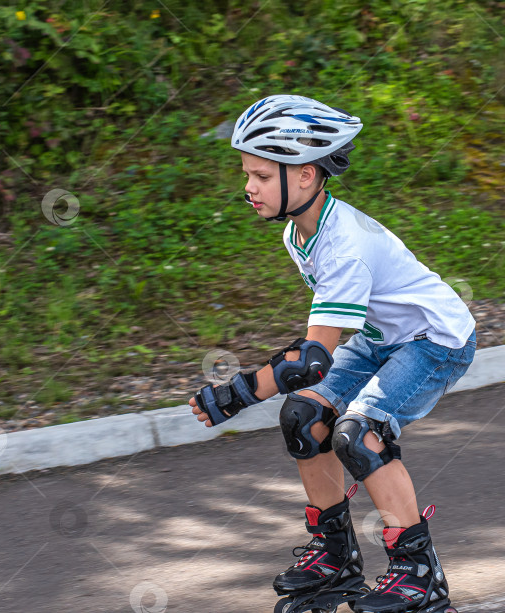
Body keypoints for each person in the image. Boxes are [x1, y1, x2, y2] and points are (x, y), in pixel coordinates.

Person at [189, 94, 475, 613]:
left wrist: (235, 394)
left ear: (302, 175)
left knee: (359, 433)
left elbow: (309, 361)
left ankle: (418, 577)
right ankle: (335, 556)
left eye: (258, 174)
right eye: (246, 173)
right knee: (304, 415)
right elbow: (316, 358)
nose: (247, 186)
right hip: (382, 337)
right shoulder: (299, 232)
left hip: (435, 340)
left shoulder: (343, 244)